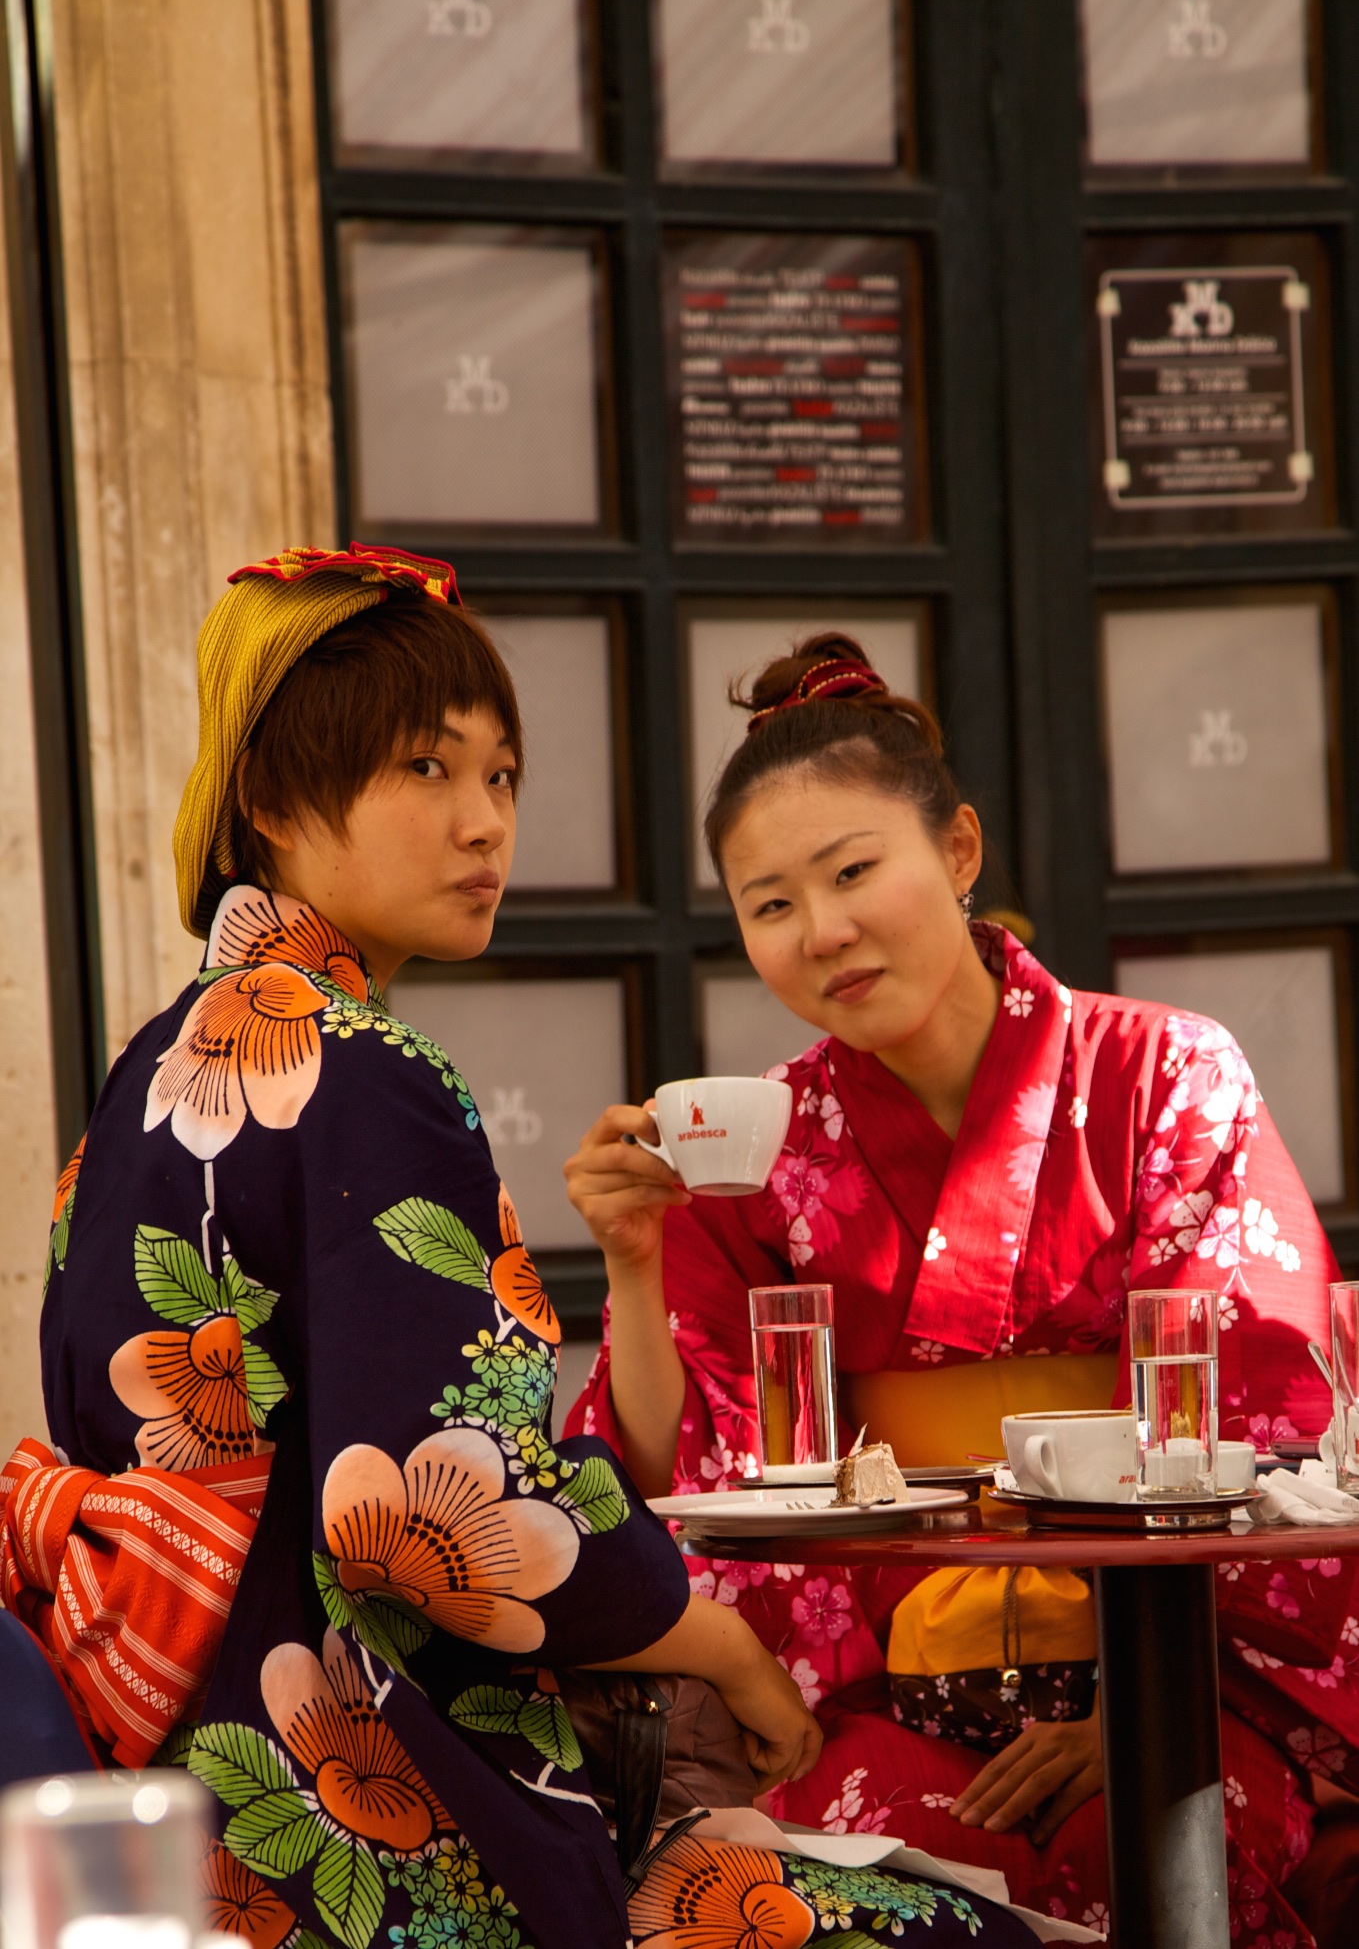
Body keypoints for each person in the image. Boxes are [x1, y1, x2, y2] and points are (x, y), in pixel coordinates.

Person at [1, 559, 1037, 1949]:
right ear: (267, 802)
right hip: (379, 1813)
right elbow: (426, 1516)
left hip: (203, 1800)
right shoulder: (369, 1069)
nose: (484, 823)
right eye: (426, 769)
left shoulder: (151, 1065)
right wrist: (725, 1645)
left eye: (503, 777)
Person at [565, 632, 1358, 1947]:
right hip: (892, 1695)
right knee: (801, 1895)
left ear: (962, 853)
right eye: (769, 905)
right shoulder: (756, 1151)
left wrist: (1134, 1699)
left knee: (1155, 1845)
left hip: (1175, 1678)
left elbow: (1259, 1414)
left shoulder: (1163, 1075)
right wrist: (634, 1267)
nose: (821, 932)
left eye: (854, 871)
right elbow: (673, 1466)